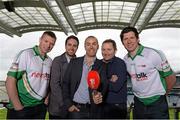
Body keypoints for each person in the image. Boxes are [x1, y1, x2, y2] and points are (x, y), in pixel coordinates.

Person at [120, 26, 176, 119]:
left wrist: (161, 95)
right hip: (138, 104)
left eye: (132, 37)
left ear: (138, 39)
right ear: (123, 42)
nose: (129, 41)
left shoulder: (154, 54)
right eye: (125, 39)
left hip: (157, 104)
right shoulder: (125, 60)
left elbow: (171, 78)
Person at [5, 31, 56, 119]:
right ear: (40, 40)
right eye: (46, 41)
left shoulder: (50, 61)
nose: (48, 46)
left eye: (52, 44)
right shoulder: (26, 54)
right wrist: (18, 107)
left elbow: (48, 83)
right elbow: (10, 81)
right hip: (22, 108)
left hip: (40, 108)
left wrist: (46, 99)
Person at [62, 36, 108, 119]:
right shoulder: (74, 62)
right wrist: (69, 104)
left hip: (94, 111)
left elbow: (104, 86)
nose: (91, 46)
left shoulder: (103, 65)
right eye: (88, 44)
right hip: (76, 110)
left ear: (98, 46)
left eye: (94, 44)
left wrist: (100, 95)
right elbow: (65, 84)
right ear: (84, 46)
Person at [48, 35, 79, 119]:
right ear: (65, 46)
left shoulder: (79, 63)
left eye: (74, 46)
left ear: (77, 48)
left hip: (73, 108)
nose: (72, 48)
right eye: (69, 45)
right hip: (58, 108)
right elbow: (54, 85)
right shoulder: (57, 61)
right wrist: (67, 104)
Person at [101, 39, 127, 119]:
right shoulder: (99, 63)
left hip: (116, 107)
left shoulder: (120, 63)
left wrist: (101, 81)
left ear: (115, 50)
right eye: (103, 49)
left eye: (109, 49)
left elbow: (116, 87)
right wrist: (109, 80)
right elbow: (94, 85)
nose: (106, 52)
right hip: (102, 105)